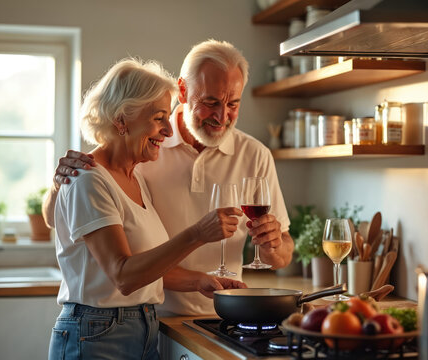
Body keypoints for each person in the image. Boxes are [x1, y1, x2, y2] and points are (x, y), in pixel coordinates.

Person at [44, 39, 294, 317]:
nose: (222, 116)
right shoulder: (142, 150)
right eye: (210, 102)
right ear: (184, 91)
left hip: (218, 312)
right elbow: (60, 216)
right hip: (155, 316)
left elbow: (282, 253)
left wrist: (272, 246)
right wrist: (59, 184)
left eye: (233, 104)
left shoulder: (255, 154)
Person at [47, 57, 246, 360]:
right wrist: (197, 234)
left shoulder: (135, 176)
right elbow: (124, 276)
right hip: (97, 335)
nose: (168, 131)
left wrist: (200, 281)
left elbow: (146, 269)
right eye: (159, 118)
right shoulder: (88, 178)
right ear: (121, 120)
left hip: (141, 329)